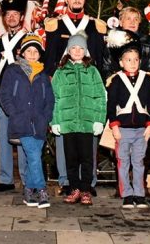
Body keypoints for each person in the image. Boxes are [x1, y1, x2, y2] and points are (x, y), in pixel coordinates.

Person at [41, 0, 106, 195]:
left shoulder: (96, 27)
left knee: (89, 138)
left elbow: (101, 61)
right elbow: (48, 64)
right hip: (63, 91)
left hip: (88, 90)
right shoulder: (54, 26)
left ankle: (88, 183)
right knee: (63, 138)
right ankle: (66, 181)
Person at [0, 34, 54, 208]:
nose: (31, 54)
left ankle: (29, 190)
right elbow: (4, 95)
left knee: (33, 157)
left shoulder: (43, 74)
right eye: (28, 51)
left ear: (39, 54)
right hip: (21, 121)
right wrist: (14, 113)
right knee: (33, 155)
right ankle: (42, 189)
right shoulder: (13, 70)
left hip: (39, 122)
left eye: (35, 51)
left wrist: (47, 117)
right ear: (22, 53)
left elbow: (49, 99)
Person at [50, 32, 107, 206]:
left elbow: (100, 97)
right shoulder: (60, 73)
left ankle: (86, 189)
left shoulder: (92, 71)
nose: (77, 51)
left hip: (87, 123)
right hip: (68, 123)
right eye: (73, 47)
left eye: (80, 48)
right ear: (68, 50)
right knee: (71, 158)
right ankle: (74, 188)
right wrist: (55, 121)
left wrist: (99, 120)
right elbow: (54, 99)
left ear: (86, 51)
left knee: (87, 159)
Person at [105, 30, 150, 209]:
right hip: (123, 129)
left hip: (142, 129)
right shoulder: (116, 81)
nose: (133, 63)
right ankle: (126, 193)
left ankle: (139, 193)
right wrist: (114, 125)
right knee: (123, 162)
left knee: (138, 162)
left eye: (136, 59)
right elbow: (111, 104)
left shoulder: (146, 79)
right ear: (121, 62)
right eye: (128, 60)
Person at [0, 0, 29, 193]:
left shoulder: (30, 40)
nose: (11, 18)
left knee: (22, 139)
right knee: (3, 139)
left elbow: (34, 70)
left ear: (22, 17)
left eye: (15, 14)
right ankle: (5, 179)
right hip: (2, 99)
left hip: (22, 100)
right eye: (8, 14)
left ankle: (26, 178)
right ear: (4, 18)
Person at [101, 6, 150, 79]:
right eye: (128, 18)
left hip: (143, 84)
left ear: (139, 23)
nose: (132, 22)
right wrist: (113, 81)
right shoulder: (112, 41)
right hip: (119, 84)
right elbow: (106, 67)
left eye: (136, 19)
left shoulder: (148, 41)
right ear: (121, 22)